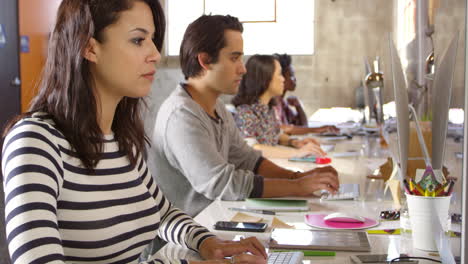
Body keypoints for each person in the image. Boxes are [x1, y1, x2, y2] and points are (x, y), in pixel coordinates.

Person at [1, 1, 267, 263]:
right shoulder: (35, 142)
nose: (155, 54)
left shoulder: (119, 140)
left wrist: (208, 242)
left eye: (152, 39)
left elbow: (161, 213)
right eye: (138, 40)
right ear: (89, 47)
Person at [148, 14, 339, 217]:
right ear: (205, 61)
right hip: (182, 241)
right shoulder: (181, 115)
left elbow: (248, 160)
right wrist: (298, 186)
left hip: (214, 225)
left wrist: (296, 178)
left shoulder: (217, 108)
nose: (243, 68)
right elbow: (222, 184)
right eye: (234, 58)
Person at [232, 55, 325, 158]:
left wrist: (295, 142)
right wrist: (296, 153)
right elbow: (252, 147)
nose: (283, 79)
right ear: (266, 78)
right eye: (280, 74)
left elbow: (276, 135)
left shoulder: (269, 109)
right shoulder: (245, 112)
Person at [272, 53, 339, 135]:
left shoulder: (282, 102)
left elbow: (303, 125)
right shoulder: (272, 103)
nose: (295, 79)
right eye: (291, 75)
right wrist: (317, 129)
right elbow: (282, 128)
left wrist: (298, 106)